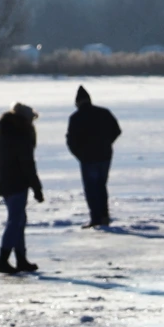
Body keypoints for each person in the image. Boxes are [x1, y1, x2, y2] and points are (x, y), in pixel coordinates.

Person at [0, 102, 44, 273]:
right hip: (18, 184)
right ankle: (3, 260)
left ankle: (21, 259)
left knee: (19, 220)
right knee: (15, 222)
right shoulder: (21, 137)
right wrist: (37, 188)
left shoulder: (0, 136)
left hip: (4, 183)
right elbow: (28, 165)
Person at [66, 85, 121, 227]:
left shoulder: (75, 118)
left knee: (91, 189)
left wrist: (79, 154)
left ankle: (96, 218)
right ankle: (104, 216)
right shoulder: (104, 112)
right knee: (101, 186)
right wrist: (107, 143)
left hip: (88, 158)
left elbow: (71, 140)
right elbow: (116, 130)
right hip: (105, 155)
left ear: (77, 102)